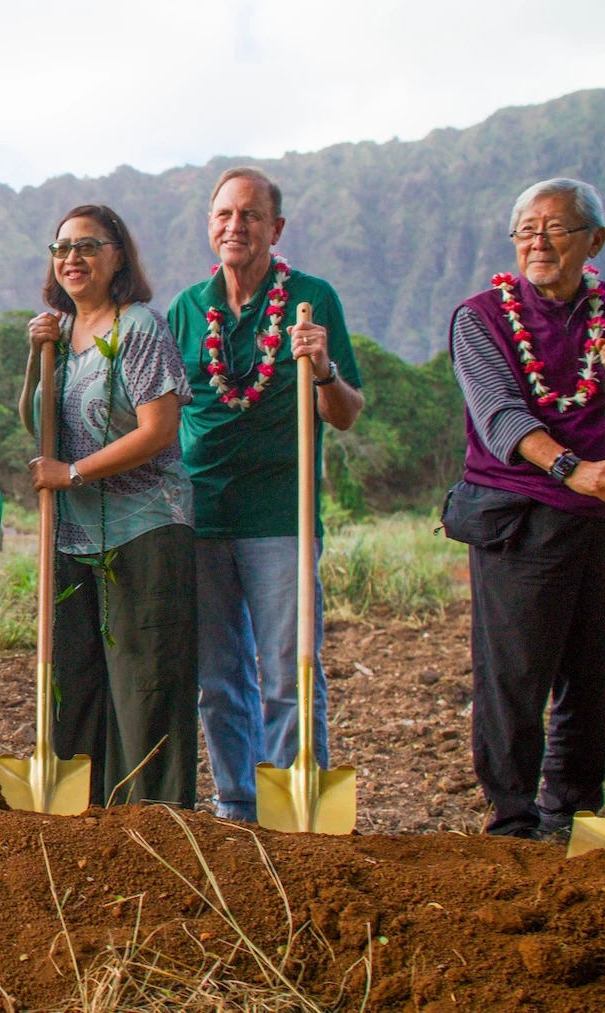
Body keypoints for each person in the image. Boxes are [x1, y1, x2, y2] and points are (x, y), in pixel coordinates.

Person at [444, 177, 605, 840]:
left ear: (594, 241)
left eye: (555, 228)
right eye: (526, 229)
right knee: (516, 674)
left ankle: (573, 813)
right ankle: (514, 819)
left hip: (602, 514)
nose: (537, 242)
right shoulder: (481, 317)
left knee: (594, 671)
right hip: (521, 514)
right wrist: (573, 469)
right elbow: (501, 417)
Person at [165, 166, 365, 823]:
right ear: (209, 226)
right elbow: (160, 414)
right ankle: (238, 801)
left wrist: (325, 368)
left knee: (288, 669)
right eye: (224, 214)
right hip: (203, 510)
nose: (236, 226)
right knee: (217, 681)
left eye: (251, 215)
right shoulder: (187, 310)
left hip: (282, 513)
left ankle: (295, 802)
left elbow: (346, 412)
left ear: (275, 229)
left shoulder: (313, 298)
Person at [20, 205, 197, 808]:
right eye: (62, 246)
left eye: (88, 246)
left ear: (118, 255)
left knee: (144, 688)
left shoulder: (139, 327)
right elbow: (40, 427)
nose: (72, 257)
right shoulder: (60, 335)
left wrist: (72, 474)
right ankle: (83, 824)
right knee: (75, 684)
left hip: (144, 529)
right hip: (71, 537)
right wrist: (32, 363)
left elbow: (159, 429)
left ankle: (154, 824)